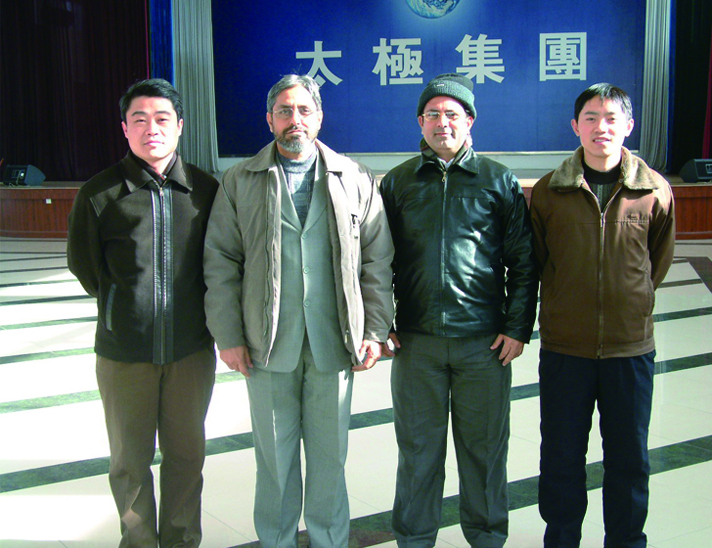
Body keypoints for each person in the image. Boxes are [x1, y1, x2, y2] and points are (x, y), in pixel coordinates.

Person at [202, 74, 394, 548]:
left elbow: (377, 260)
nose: (295, 120)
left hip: (335, 342)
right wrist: (228, 335)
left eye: (304, 110)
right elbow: (220, 261)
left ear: (320, 117)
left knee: (330, 459)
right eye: (285, 111)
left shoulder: (355, 178)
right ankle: (277, 540)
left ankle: (329, 539)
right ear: (269, 119)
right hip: (266, 345)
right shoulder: (239, 180)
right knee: (274, 460)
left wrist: (374, 330)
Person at [380, 73, 536, 548]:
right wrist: (381, 323)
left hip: (483, 344)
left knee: (484, 451)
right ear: (420, 122)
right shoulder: (398, 182)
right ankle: (414, 538)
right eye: (432, 114)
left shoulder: (497, 179)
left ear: (470, 121)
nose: (442, 122)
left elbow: (523, 260)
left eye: (452, 114)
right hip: (417, 343)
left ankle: (486, 537)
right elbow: (376, 261)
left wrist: (517, 327)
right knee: (418, 452)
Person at [67, 78, 219, 548]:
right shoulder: (99, 193)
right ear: (125, 129)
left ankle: (181, 540)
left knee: (187, 457)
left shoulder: (206, 190)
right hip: (123, 354)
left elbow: (221, 264)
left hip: (191, 351)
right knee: (129, 462)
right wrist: (123, 309)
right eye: (139, 119)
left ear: (179, 126)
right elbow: (85, 265)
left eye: (161, 118)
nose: (151, 128)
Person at [529, 83, 675, 548]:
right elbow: (538, 261)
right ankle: (562, 539)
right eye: (591, 118)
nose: (601, 128)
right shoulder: (550, 191)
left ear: (629, 125)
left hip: (629, 350)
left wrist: (629, 301)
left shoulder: (654, 190)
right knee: (561, 457)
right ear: (575, 126)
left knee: (629, 459)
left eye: (612, 118)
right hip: (565, 349)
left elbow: (656, 262)